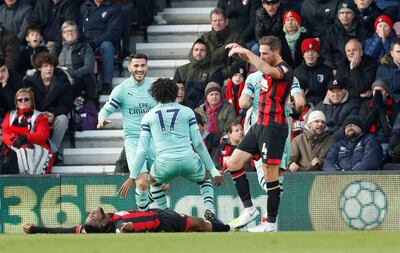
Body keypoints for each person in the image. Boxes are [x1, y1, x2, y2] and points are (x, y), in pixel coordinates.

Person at [118, 78, 224, 221]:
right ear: (174, 93)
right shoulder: (187, 112)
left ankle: (163, 213)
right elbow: (198, 143)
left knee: (154, 181)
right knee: (204, 178)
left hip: (164, 163)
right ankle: (209, 208)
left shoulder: (148, 116)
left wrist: (132, 177)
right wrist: (213, 170)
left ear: (154, 94)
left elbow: (142, 150)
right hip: (188, 160)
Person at [233, 37, 305, 230]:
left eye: (265, 53)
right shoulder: (261, 75)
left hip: (274, 127)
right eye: (260, 53)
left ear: (276, 52)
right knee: (233, 163)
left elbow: (268, 70)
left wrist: (248, 54)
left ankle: (271, 223)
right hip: (258, 125)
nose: (262, 57)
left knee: (271, 175)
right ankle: (249, 210)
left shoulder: (285, 70)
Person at [98, 53, 162, 211]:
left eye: (142, 65)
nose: (139, 69)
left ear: (147, 66)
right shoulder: (121, 89)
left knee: (163, 184)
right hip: (134, 140)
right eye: (136, 66)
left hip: (155, 139)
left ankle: (144, 205)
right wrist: (102, 118)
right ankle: (143, 218)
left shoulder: (155, 86)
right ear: (129, 67)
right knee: (141, 181)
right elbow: (106, 109)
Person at [23, 207, 231, 234]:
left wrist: (36, 228)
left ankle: (224, 227)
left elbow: (66, 230)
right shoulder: (114, 226)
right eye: (92, 216)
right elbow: (123, 230)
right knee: (199, 224)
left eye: (92, 213)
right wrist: (127, 230)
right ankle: (228, 228)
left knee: (201, 226)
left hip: (158, 212)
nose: (92, 212)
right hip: (164, 222)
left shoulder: (112, 216)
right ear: (100, 224)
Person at [23, 52, 73, 161]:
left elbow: (67, 105)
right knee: (30, 121)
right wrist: (39, 115)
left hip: (54, 114)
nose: (49, 69)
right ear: (39, 68)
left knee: (63, 119)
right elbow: (26, 104)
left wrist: (53, 113)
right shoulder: (29, 82)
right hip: (36, 116)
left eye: (51, 66)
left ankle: (51, 150)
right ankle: (54, 152)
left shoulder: (62, 82)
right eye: (45, 66)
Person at [1, 88, 54, 174]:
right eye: (20, 99)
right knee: (16, 152)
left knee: (24, 151)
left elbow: (42, 135)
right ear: (16, 102)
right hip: (13, 145)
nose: (23, 101)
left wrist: (25, 137)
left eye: (26, 99)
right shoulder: (10, 115)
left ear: (31, 101)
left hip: (35, 147)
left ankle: (28, 178)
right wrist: (14, 140)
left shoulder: (40, 117)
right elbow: (4, 132)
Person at [80, 0, 122, 95]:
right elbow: (78, 28)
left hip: (103, 43)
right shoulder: (85, 7)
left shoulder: (114, 8)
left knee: (107, 46)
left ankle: (106, 83)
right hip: (86, 42)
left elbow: (113, 33)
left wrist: (94, 42)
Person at [51, 20, 97, 102]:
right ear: (62, 34)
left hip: (77, 77)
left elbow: (88, 68)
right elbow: (49, 63)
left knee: (72, 83)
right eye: (67, 31)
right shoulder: (57, 47)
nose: (70, 33)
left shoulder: (85, 46)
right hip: (58, 76)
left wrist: (71, 72)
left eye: (72, 31)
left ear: (77, 33)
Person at [173, 39, 223, 109]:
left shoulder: (215, 70)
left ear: (207, 52)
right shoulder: (181, 70)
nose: (199, 52)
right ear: (192, 51)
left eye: (202, 50)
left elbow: (214, 93)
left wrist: (200, 108)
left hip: (206, 109)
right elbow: (175, 92)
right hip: (184, 108)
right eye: (196, 50)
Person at [321, 0, 371, 70]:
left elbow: (365, 52)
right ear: (338, 16)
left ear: (353, 15)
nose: (345, 16)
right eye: (342, 13)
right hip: (336, 67)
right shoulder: (331, 31)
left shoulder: (361, 31)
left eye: (348, 13)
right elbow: (325, 53)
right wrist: (333, 68)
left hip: (358, 66)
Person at [200, 8, 246, 80]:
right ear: (211, 22)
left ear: (226, 21)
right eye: (215, 21)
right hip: (208, 75)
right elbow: (198, 57)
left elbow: (239, 61)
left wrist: (221, 74)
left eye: (220, 20)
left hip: (229, 76)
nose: (217, 23)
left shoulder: (236, 37)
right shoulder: (204, 38)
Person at [360, 79, 395, 159]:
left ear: (387, 93)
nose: (377, 94)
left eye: (381, 91)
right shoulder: (366, 105)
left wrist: (381, 109)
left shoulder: (394, 106)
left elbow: (388, 132)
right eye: (375, 90)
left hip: (384, 141)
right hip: (368, 140)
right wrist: (374, 110)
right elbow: (363, 128)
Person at [294, 38, 333, 106]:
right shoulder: (297, 72)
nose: (310, 54)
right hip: (305, 106)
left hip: (324, 105)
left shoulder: (327, 70)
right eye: (307, 51)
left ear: (318, 54)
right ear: (303, 55)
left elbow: (331, 91)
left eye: (313, 51)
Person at [376, 38, 400, 105]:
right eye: (398, 52)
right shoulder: (382, 69)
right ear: (392, 53)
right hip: (386, 105)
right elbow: (378, 90)